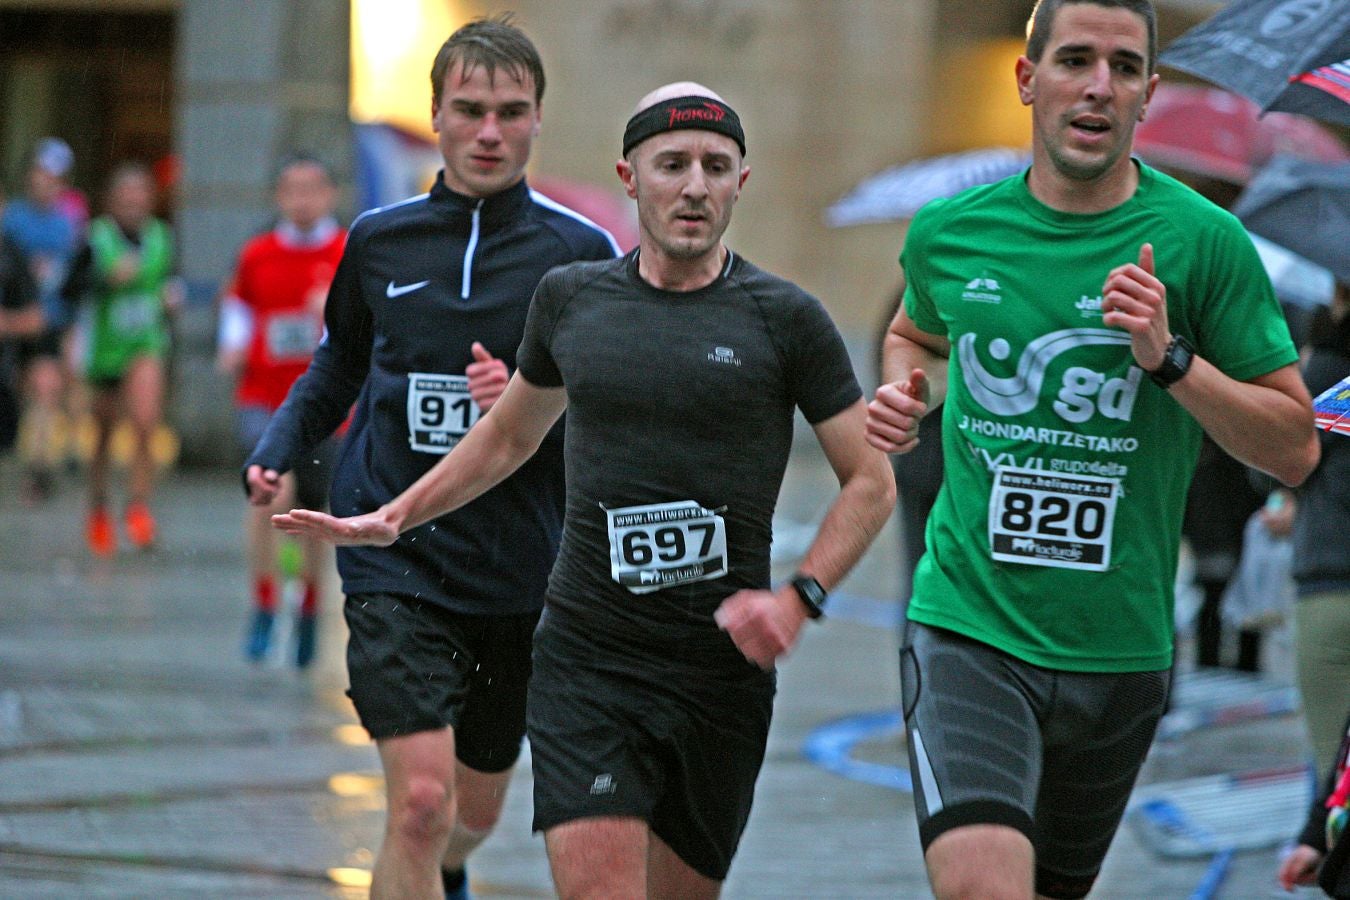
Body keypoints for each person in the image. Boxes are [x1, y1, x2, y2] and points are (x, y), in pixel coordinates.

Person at [273, 82, 895, 897]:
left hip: (719, 673)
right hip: (587, 660)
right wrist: (397, 515)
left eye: (715, 167)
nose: (694, 186)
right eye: (672, 164)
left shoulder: (786, 320)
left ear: (741, 182)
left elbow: (870, 481)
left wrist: (797, 599)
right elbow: (509, 436)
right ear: (629, 176)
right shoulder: (572, 300)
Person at [863, 2, 1320, 898]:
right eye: (1075, 60)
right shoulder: (949, 231)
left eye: (1124, 66)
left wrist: (1171, 359)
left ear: (1148, 93)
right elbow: (916, 333)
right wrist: (905, 393)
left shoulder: (1205, 244)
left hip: (1121, 653)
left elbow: (1295, 448)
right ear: (1028, 80)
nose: (1099, 86)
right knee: (983, 883)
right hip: (968, 626)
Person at [243, 17, 621, 899]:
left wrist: (527, 403)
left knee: (466, 817)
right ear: (438, 115)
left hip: (517, 567)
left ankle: (448, 869)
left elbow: (609, 411)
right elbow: (337, 362)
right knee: (418, 803)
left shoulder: (580, 256)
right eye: (470, 110)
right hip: (394, 557)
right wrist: (279, 445)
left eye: (511, 112)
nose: (490, 132)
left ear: (537, 120)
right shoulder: (380, 239)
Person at [217, 153, 346, 668]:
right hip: (264, 396)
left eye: (312, 188)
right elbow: (239, 305)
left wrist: (331, 311)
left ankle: (310, 606)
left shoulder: (348, 253)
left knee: (314, 513)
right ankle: (266, 602)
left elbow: (372, 325)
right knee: (270, 491)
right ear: (278, 196)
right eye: (292, 189)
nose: (302, 200)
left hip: (327, 407)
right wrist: (232, 344)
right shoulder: (258, 254)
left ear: (330, 194)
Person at [65, 162, 182, 557]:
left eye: (140, 193)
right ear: (111, 200)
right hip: (104, 349)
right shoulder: (95, 238)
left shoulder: (161, 236)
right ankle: (99, 507)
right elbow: (68, 289)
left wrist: (170, 297)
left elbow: (170, 280)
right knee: (102, 434)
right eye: (125, 194)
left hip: (145, 343)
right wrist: (104, 279)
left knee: (146, 424)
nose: (133, 201)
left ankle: (138, 507)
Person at [2, 137, 82, 503]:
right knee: (23, 393)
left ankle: (40, 467)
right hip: (14, 320)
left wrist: (68, 324)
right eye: (39, 174)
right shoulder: (12, 220)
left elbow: (74, 278)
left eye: (52, 177)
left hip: (50, 321)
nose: (44, 183)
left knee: (47, 388)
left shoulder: (69, 224)